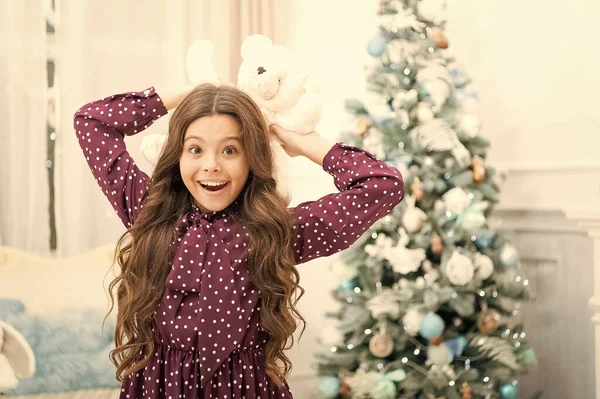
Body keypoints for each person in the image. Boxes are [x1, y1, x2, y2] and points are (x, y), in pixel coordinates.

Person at [73, 83, 404, 398]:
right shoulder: (148, 211)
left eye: (230, 150)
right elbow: (92, 121)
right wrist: (189, 95)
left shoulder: (277, 230)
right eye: (195, 149)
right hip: (159, 388)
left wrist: (304, 144)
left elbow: (382, 186)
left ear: (252, 158)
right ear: (178, 156)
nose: (211, 165)